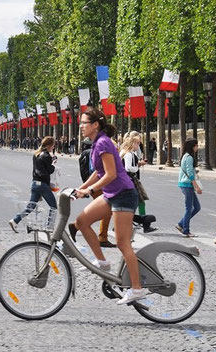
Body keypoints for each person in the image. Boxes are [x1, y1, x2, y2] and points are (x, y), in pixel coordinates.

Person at [74, 107, 147, 305]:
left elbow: (111, 174)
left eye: (84, 123)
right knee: (82, 221)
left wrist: (89, 191)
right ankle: (102, 261)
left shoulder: (103, 142)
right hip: (111, 194)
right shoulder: (97, 142)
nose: (81, 126)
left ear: (95, 125)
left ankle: (137, 289)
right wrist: (78, 189)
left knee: (123, 244)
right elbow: (98, 172)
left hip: (123, 195)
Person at [9, 136, 57, 232]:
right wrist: (54, 163)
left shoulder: (36, 154)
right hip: (43, 184)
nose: (53, 147)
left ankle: (15, 220)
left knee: (31, 206)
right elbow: (49, 170)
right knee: (53, 206)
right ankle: (49, 226)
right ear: (49, 145)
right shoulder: (46, 156)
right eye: (53, 145)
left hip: (35, 183)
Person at [120, 132, 157, 233]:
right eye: (137, 143)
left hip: (129, 180)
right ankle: (141, 222)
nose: (139, 145)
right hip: (131, 180)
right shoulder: (128, 153)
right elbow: (129, 167)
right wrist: (137, 166)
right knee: (136, 202)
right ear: (132, 142)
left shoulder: (126, 152)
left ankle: (140, 223)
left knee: (137, 202)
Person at [175, 138, 202, 237]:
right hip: (187, 184)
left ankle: (181, 224)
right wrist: (196, 186)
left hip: (184, 184)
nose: (197, 147)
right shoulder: (189, 157)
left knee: (197, 207)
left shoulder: (185, 156)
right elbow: (190, 174)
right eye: (196, 145)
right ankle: (186, 230)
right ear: (193, 146)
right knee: (189, 208)